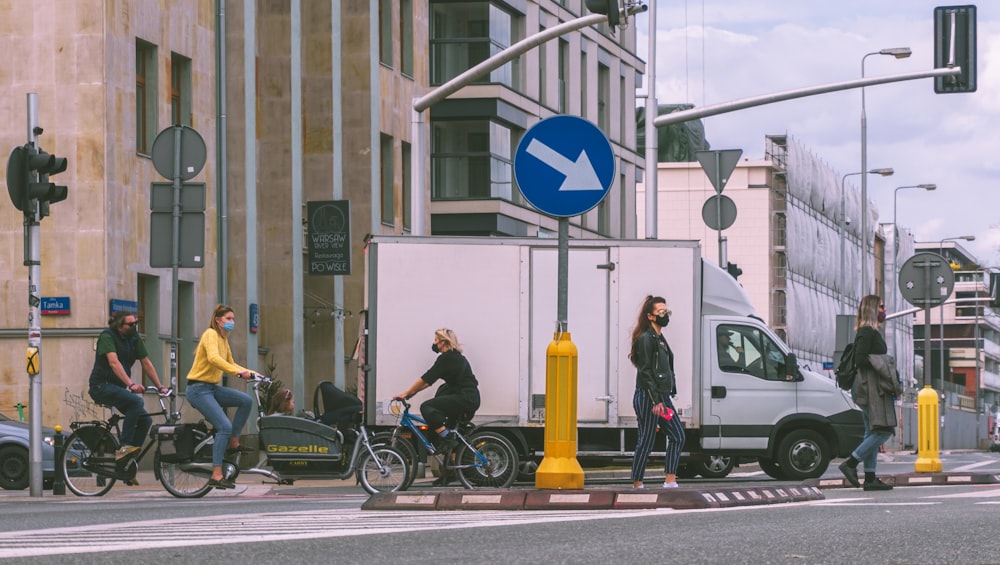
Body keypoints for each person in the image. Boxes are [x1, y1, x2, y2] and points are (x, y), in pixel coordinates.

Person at [185, 305, 254, 489]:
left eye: (233, 319)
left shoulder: (224, 339)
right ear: (218, 319)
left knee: (246, 401)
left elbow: (232, 363)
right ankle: (216, 474)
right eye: (229, 318)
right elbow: (215, 359)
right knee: (224, 426)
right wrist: (240, 374)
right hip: (198, 390)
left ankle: (234, 441)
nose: (232, 322)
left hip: (212, 388)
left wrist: (256, 375)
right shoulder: (210, 334)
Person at [88, 311, 170, 460]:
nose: (134, 327)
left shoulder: (133, 338)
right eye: (130, 324)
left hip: (117, 388)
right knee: (136, 401)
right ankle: (124, 447)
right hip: (101, 386)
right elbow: (114, 362)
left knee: (145, 420)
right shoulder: (107, 336)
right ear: (119, 326)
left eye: (136, 324)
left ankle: (128, 459)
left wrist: (160, 387)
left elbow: (146, 363)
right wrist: (131, 384)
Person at [839, 296, 900, 491]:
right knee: (883, 430)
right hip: (869, 388)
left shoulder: (870, 332)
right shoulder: (867, 332)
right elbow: (861, 359)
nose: (885, 309)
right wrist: (884, 366)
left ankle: (870, 477)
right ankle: (850, 463)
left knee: (871, 431)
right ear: (873, 309)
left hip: (869, 387)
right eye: (882, 306)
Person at [628, 295, 686, 489]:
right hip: (649, 397)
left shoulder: (659, 338)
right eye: (661, 312)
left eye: (666, 311)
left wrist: (665, 396)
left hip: (662, 397)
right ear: (651, 316)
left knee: (677, 435)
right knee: (646, 439)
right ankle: (638, 483)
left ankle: (670, 480)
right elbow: (645, 371)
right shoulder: (646, 339)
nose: (665, 315)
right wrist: (655, 401)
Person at [394, 328, 480, 453]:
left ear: (443, 342)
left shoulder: (447, 358)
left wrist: (406, 393)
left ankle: (448, 438)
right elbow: (429, 381)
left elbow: (425, 379)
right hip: (467, 397)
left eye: (436, 340)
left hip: (466, 398)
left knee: (427, 407)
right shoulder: (454, 357)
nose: (434, 344)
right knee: (440, 394)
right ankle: (451, 458)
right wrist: (412, 393)